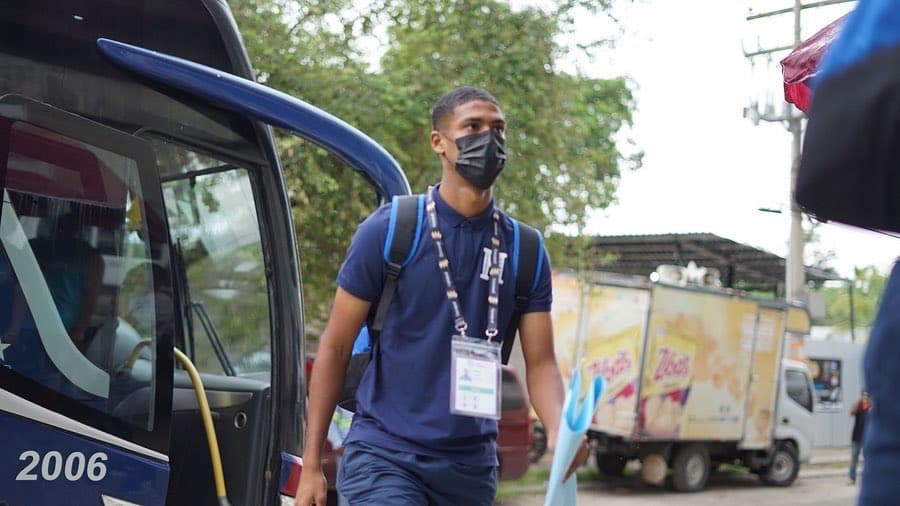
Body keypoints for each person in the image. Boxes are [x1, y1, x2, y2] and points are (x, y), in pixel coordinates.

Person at [294, 86, 587, 505]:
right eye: (472, 126)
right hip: (386, 455)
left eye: (498, 129)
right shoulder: (390, 230)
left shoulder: (526, 248)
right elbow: (336, 347)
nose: (489, 139)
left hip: (471, 470)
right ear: (439, 142)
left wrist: (560, 428)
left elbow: (540, 363)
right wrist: (311, 464)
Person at [848, 392, 871, 485]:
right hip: (856, 438)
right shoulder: (858, 406)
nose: (865, 398)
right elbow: (851, 413)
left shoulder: (871, 407)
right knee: (854, 459)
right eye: (864, 395)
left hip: (868, 438)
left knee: (868, 460)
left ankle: (867, 479)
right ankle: (852, 478)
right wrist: (858, 402)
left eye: (867, 396)